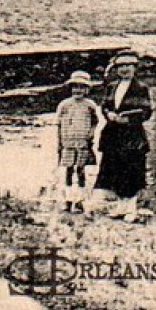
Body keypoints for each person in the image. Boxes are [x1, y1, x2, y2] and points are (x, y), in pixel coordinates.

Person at [93, 51, 153, 219]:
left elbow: (146, 111)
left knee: (131, 169)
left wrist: (128, 119)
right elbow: (105, 105)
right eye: (121, 66)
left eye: (128, 66)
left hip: (132, 135)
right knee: (115, 169)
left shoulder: (141, 88)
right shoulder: (112, 86)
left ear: (134, 68)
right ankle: (120, 206)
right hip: (113, 134)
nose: (125, 70)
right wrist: (109, 114)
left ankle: (131, 208)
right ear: (116, 69)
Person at [54, 71, 100, 213]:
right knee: (68, 170)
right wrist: (59, 142)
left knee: (80, 170)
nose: (78, 90)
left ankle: (79, 200)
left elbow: (95, 122)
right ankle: (68, 200)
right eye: (75, 87)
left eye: (81, 87)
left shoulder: (90, 105)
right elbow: (59, 124)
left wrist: (90, 135)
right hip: (67, 142)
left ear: (87, 90)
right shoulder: (64, 105)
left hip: (82, 142)